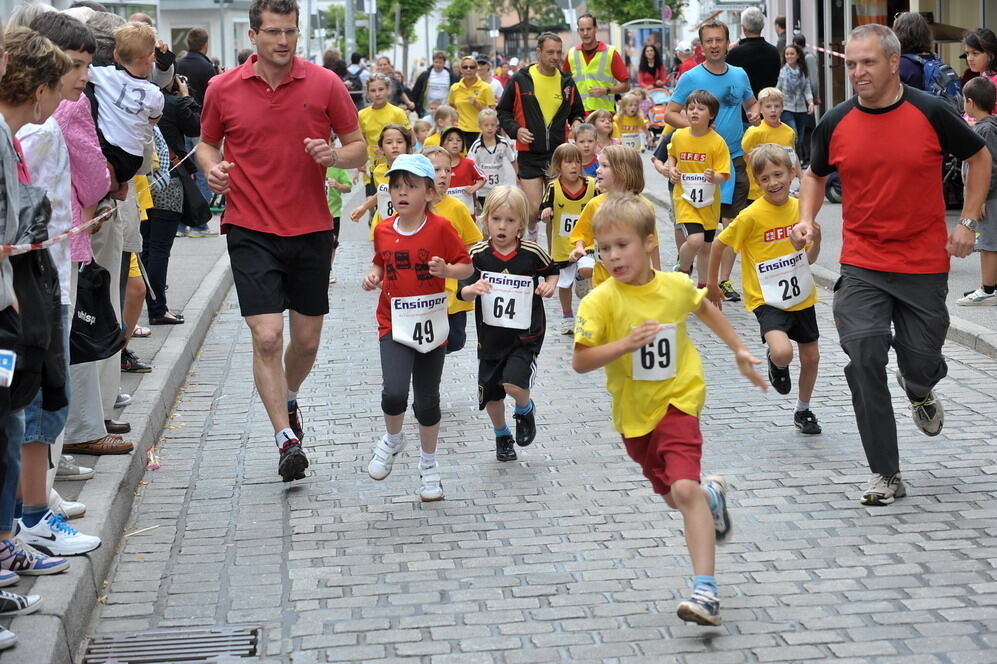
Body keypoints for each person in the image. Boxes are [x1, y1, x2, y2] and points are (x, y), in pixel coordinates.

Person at [793, 23, 991, 506]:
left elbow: (981, 157)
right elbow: (815, 175)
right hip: (862, 263)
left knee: (920, 362)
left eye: (868, 63)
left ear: (892, 62)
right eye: (851, 64)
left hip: (923, 264)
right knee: (862, 357)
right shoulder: (835, 122)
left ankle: (919, 386)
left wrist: (968, 222)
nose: (857, 72)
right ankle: (886, 473)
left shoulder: (931, 112)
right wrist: (806, 220)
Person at [572, 192, 766, 627]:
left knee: (682, 490)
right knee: (672, 496)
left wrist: (738, 348)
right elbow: (581, 361)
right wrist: (625, 344)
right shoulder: (599, 301)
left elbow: (703, 307)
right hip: (634, 417)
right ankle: (711, 497)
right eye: (604, 248)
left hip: (679, 401)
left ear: (648, 243)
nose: (613, 256)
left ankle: (705, 591)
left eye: (622, 245)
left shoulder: (674, 286)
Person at [197, 0, 367, 482]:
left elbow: (359, 148)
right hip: (249, 226)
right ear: (253, 36)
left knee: (307, 340)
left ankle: (288, 395)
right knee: (268, 336)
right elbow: (207, 143)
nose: (283, 41)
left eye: (290, 32)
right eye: (273, 32)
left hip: (311, 226)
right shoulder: (222, 88)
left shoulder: (325, 84)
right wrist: (213, 170)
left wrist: (333, 154)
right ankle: (283, 437)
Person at [362, 153, 473, 501]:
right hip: (393, 321)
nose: (402, 193)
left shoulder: (440, 228)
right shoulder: (382, 228)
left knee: (427, 401)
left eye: (411, 186)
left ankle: (429, 466)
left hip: (430, 321)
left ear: (429, 192)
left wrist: (447, 272)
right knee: (394, 392)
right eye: (396, 187)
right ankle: (393, 439)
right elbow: (381, 264)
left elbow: (466, 267)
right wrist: (373, 277)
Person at [708, 144, 822, 434]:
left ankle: (803, 409)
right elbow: (720, 244)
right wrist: (712, 284)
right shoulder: (751, 216)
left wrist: (816, 240)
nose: (774, 183)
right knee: (784, 353)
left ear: (792, 173)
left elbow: (809, 258)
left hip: (801, 295)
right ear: (757, 183)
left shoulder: (800, 210)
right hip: (767, 298)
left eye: (778, 174)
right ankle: (776, 362)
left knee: (811, 358)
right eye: (765, 179)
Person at [458, 186, 557, 461]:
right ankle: (502, 435)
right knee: (492, 396)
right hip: (490, 338)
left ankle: (524, 409)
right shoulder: (478, 254)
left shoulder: (531, 253)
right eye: (496, 219)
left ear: (522, 224)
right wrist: (472, 289)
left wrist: (549, 287)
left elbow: (551, 272)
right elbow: (462, 288)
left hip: (525, 335)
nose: (502, 227)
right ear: (485, 219)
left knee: (513, 385)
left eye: (510, 221)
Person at [665, 20, 759, 304]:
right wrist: (699, 129)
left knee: (730, 224)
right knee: (700, 229)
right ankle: (688, 268)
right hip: (697, 165)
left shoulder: (740, 75)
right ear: (701, 46)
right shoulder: (691, 78)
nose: (715, 45)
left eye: (719, 40)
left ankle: (722, 281)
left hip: (733, 157)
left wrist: (754, 113)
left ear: (728, 43)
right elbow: (670, 113)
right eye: (709, 41)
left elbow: (750, 103)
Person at [498, 33, 586, 242]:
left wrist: (577, 122)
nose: (555, 57)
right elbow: (503, 112)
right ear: (538, 52)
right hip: (529, 153)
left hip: (558, 154)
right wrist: (516, 130)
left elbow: (578, 112)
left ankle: (555, 256)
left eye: (558, 52)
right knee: (534, 210)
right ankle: (531, 237)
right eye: (550, 52)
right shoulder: (521, 79)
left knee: (555, 210)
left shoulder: (567, 82)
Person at [569, 144, 661, 288]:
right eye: (599, 165)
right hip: (602, 283)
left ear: (623, 170)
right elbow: (581, 232)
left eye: (605, 166)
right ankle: (582, 278)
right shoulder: (595, 204)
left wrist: (657, 275)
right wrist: (579, 247)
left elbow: (653, 244)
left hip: (635, 281)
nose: (598, 170)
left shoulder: (644, 206)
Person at [420, 145, 483, 355]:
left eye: (447, 170)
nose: (443, 175)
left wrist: (462, 267)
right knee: (426, 345)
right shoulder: (414, 207)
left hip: (452, 291)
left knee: (455, 341)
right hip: (421, 289)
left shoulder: (457, 207)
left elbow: (473, 243)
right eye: (436, 170)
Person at [664, 90, 730, 285]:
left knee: (705, 248)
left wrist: (714, 176)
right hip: (684, 199)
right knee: (695, 240)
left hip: (708, 203)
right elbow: (672, 154)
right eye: (691, 108)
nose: (694, 112)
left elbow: (724, 175)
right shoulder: (678, 136)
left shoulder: (717, 142)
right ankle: (682, 268)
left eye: (700, 109)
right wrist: (672, 168)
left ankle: (702, 287)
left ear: (711, 115)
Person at [87, 21, 164, 185]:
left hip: (107, 148)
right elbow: (154, 118)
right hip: (133, 157)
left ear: (116, 55)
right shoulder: (155, 94)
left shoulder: (102, 74)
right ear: (151, 58)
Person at [538, 142, 597, 333]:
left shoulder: (591, 186)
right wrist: (546, 212)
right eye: (568, 162)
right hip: (562, 247)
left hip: (586, 243)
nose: (574, 166)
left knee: (588, 269)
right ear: (558, 166)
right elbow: (544, 208)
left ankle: (581, 276)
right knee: (564, 285)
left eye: (577, 162)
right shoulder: (554, 188)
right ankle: (567, 315)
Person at [957, 76, 997, 305]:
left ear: (970, 102)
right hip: (989, 196)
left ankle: (988, 290)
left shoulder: (985, 131)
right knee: (990, 242)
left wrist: (979, 197)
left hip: (989, 197)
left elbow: (989, 167)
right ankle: (989, 284)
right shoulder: (987, 127)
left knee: (988, 244)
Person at [741, 87, 799, 205]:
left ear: (782, 108)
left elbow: (792, 156)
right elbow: (742, 157)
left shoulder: (789, 132)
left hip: (781, 189)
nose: (773, 110)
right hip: (756, 191)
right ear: (760, 109)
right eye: (768, 107)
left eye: (777, 106)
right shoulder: (754, 132)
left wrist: (801, 177)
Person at [564, 13, 630, 114]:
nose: (585, 33)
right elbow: (564, 86)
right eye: (582, 30)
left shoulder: (610, 53)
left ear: (595, 29)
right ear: (578, 31)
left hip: (604, 115)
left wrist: (606, 90)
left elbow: (626, 86)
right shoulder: (571, 54)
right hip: (579, 115)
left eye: (589, 29)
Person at [726, 7, 781, 99]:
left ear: (744, 28)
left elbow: (727, 79)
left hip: (743, 105)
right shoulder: (774, 52)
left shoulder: (735, 53)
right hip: (767, 103)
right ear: (762, 26)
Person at [467, 108, 517, 208]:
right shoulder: (476, 146)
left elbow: (513, 160)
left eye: (492, 125)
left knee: (498, 211)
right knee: (488, 213)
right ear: (480, 126)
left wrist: (517, 175)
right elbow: (469, 165)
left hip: (499, 188)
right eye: (486, 125)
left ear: (496, 126)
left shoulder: (503, 143)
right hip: (483, 190)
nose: (490, 128)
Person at [777, 44, 814, 160]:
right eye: (787, 54)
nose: (789, 56)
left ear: (798, 55)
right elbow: (778, 89)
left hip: (801, 108)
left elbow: (807, 89)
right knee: (794, 135)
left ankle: (794, 161)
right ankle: (789, 160)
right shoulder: (783, 72)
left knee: (800, 139)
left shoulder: (803, 72)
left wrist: (811, 102)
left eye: (792, 54)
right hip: (787, 108)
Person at [447, 56, 495, 148]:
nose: (468, 69)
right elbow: (451, 107)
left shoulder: (485, 87)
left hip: (480, 130)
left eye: (472, 67)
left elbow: (492, 112)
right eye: (465, 67)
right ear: (461, 69)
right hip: (460, 130)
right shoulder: (455, 88)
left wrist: (477, 104)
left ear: (477, 69)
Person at [439, 127, 484, 212]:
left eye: (459, 140)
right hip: (447, 210)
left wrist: (474, 188)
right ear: (443, 144)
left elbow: (483, 178)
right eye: (450, 140)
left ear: (463, 144)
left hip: (467, 211)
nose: (455, 142)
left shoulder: (469, 163)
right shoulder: (438, 165)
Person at [175, 27, 216, 106]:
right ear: (205, 44)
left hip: (179, 114)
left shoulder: (176, 64)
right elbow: (213, 98)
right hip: (200, 115)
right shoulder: (207, 67)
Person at [411, 51, 458, 117]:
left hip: (445, 109)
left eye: (440, 62)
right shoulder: (425, 75)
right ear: (433, 62)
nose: (438, 65)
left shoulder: (451, 76)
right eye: (436, 62)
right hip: (428, 109)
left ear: (444, 63)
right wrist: (414, 105)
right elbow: (416, 91)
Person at [962, 28, 997, 107]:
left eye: (975, 53)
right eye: (967, 53)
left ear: (990, 56)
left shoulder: (994, 82)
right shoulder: (984, 75)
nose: (969, 58)